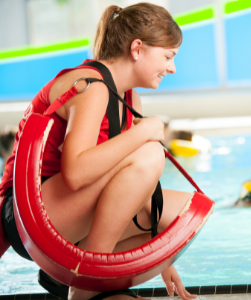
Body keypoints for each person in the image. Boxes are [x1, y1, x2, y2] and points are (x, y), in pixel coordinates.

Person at [0, 3, 197, 300]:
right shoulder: (91, 86)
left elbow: (132, 184)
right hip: (28, 217)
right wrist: (143, 134)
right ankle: (85, 282)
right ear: (138, 49)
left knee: (185, 215)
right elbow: (76, 174)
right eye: (168, 56)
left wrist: (160, 256)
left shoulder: (131, 98)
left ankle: (68, 277)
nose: (172, 68)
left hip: (65, 213)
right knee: (149, 155)